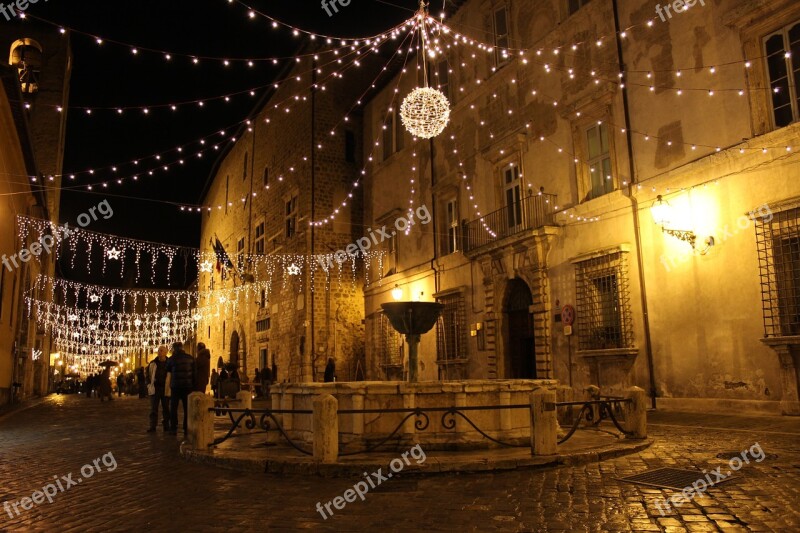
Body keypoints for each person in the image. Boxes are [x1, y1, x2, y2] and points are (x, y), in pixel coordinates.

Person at [166, 341, 196, 436]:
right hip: (188, 386)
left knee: (173, 408)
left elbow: (168, 369)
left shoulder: (172, 359)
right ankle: (186, 427)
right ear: (182, 348)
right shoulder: (190, 358)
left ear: (174, 349)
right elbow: (195, 373)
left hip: (175, 386)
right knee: (187, 408)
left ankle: (173, 428)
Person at [147, 346, 171, 433]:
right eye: (159, 350)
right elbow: (148, 374)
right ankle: (152, 426)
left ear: (165, 352)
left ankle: (166, 426)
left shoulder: (169, 363)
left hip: (165, 388)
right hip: (155, 388)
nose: (159, 352)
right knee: (153, 408)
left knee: (166, 408)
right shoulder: (153, 363)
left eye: (161, 350)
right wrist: (149, 384)